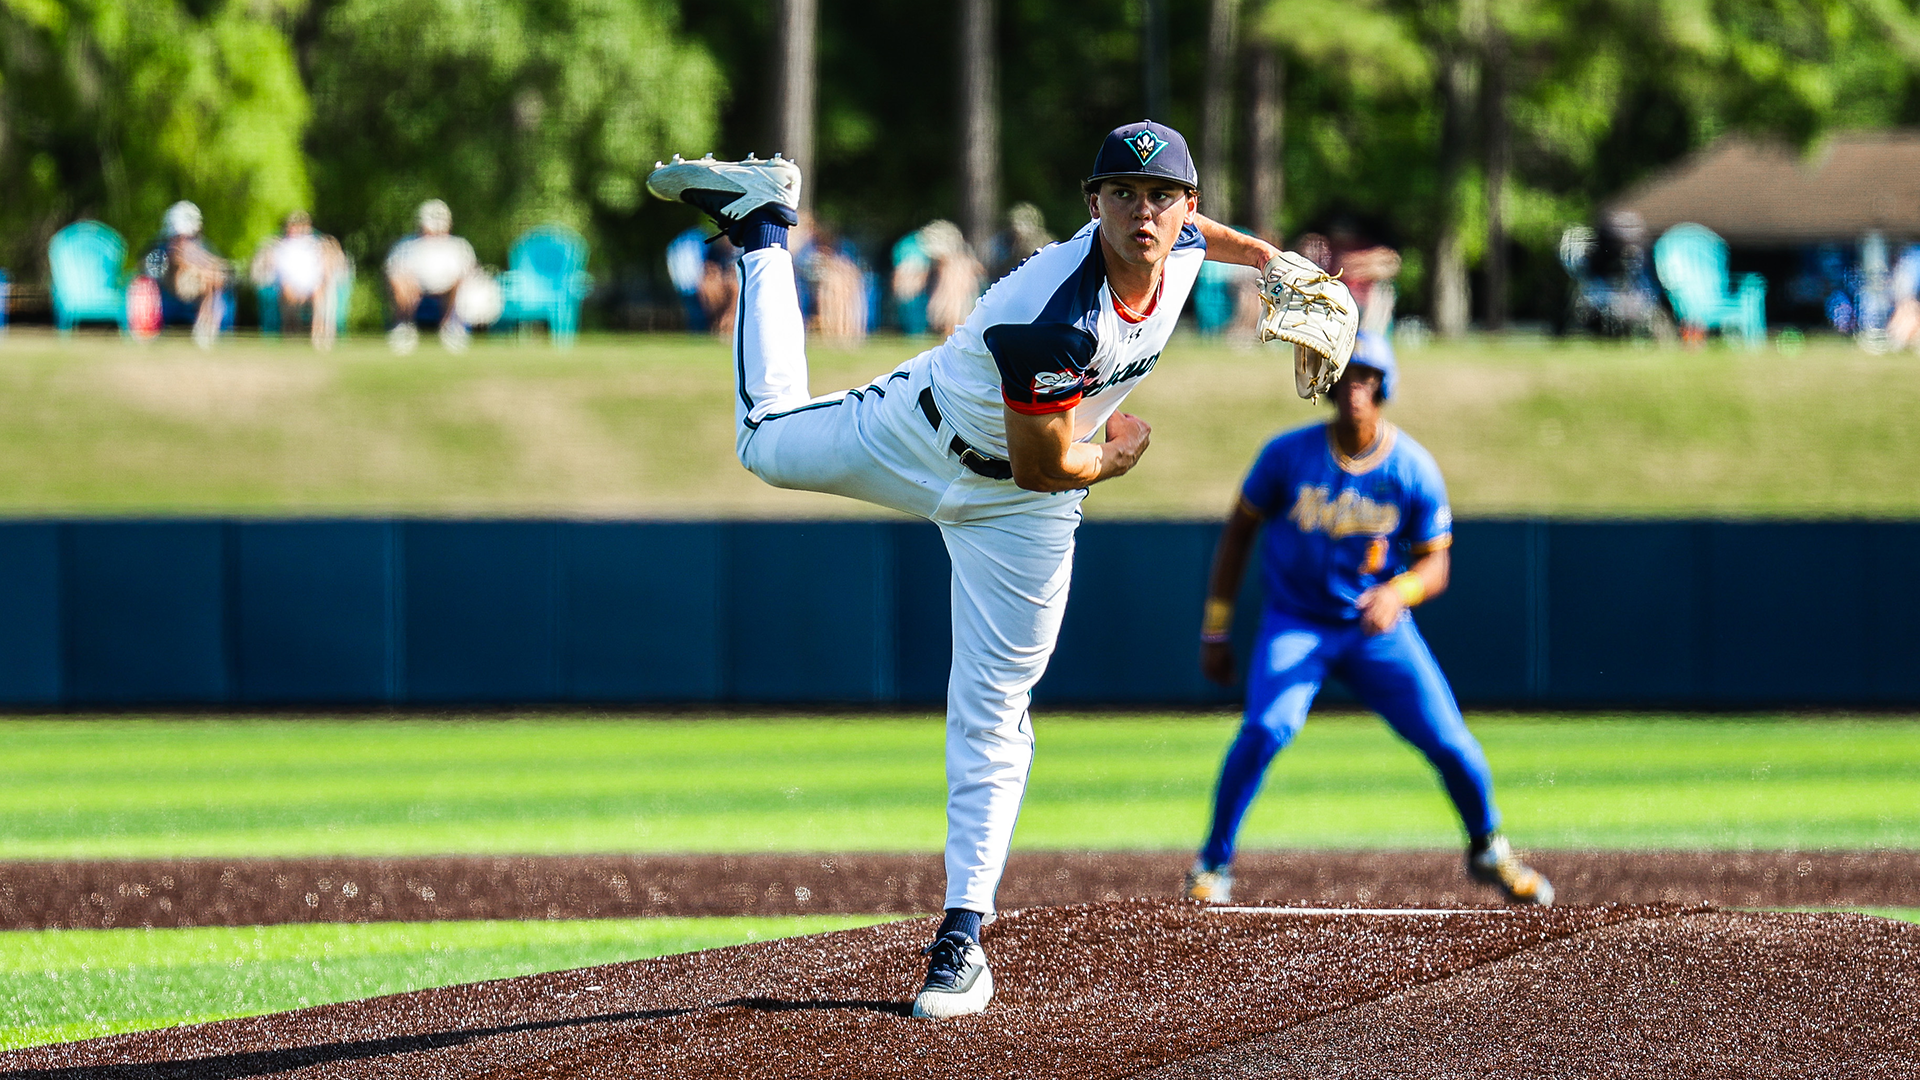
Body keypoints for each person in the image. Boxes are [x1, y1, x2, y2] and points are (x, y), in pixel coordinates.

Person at [647, 123, 1287, 1020]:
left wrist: (1273, 262)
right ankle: (762, 230)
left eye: (1162, 195)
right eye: (1123, 194)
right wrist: (1118, 456)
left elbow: (1202, 239)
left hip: (1022, 515)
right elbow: (1047, 464)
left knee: (992, 711)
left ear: (1187, 203)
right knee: (764, 443)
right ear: (1090, 203)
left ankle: (960, 939)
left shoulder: (1178, 240)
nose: (1146, 213)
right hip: (930, 435)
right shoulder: (1053, 315)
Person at [1183, 331, 1554, 909]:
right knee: (1265, 728)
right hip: (1298, 623)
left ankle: (1489, 847)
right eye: (1347, 375)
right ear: (1327, 384)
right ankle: (1212, 864)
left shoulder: (1411, 466)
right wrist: (1216, 625)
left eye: (1368, 376)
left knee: (1452, 742)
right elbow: (1237, 535)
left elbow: (1436, 566)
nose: (1356, 387)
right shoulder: (1287, 455)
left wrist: (1398, 592)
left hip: (1374, 629)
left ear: (1384, 385)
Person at [385, 199, 479, 353]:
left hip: (448, 288)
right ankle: (404, 326)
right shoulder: (406, 245)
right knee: (400, 281)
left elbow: (469, 271)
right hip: (415, 288)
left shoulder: (459, 246)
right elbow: (393, 271)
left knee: (460, 282)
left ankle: (452, 326)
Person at [250, 211, 349, 350]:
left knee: (319, 292)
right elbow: (276, 270)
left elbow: (328, 265)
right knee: (287, 291)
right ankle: (291, 333)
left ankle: (319, 334)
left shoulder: (317, 244)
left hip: (313, 286)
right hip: (288, 286)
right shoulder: (280, 246)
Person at [143, 201, 230, 349]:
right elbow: (162, 269)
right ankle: (204, 328)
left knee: (212, 278)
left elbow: (213, 264)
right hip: (172, 287)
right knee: (209, 278)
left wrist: (210, 268)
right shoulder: (165, 249)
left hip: (193, 285)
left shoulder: (198, 245)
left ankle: (205, 326)